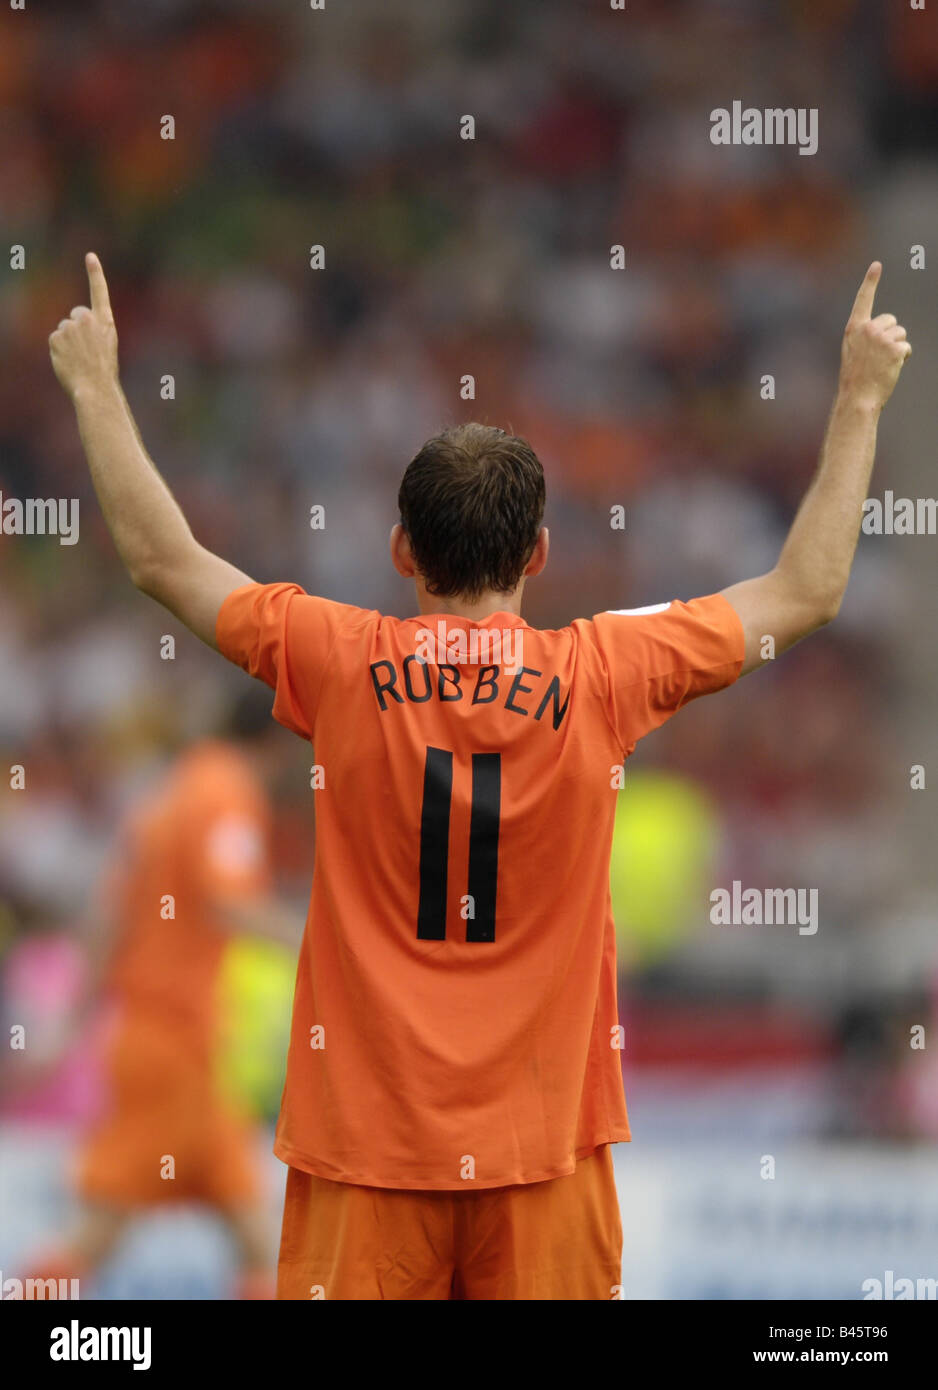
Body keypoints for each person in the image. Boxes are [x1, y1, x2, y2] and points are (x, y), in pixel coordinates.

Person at [47, 253, 910, 1299]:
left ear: (402, 549)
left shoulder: (334, 658)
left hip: (364, 1152)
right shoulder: (606, 671)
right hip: (542, 1153)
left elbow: (162, 559)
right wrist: (860, 397)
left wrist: (95, 384)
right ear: (538, 553)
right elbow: (805, 591)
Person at [23, 690, 300, 1300]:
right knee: (102, 1229)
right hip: (177, 1046)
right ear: (281, 738)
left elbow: (108, 919)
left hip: (159, 1043)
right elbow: (230, 902)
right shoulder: (225, 790)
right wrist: (323, 948)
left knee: (250, 1225)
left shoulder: (166, 794)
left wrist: (74, 1021)